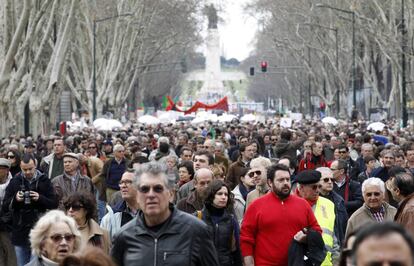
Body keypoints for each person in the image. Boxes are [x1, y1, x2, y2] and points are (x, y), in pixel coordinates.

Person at [111, 162, 219, 266]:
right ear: (138, 195)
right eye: (145, 189)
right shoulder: (124, 236)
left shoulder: (196, 231)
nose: (151, 195)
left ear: (170, 193)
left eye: (158, 189)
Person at [240, 164, 322, 266]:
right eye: (281, 180)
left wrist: (306, 238)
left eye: (287, 179)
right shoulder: (256, 206)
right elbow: (246, 239)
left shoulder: (303, 204)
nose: (286, 183)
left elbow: (317, 230)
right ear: (270, 182)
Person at [2, 154, 58, 266]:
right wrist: (16, 199)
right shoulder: (15, 181)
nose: (27, 172)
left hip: (39, 229)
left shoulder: (44, 180)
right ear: (20, 167)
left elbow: (54, 203)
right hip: (20, 229)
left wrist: (40, 198)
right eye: (24, 169)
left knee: (36, 263)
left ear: (35, 165)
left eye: (30, 169)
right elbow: (5, 206)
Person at [295, 170, 339, 265]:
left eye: (319, 186)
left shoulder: (329, 204)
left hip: (327, 263)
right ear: (301, 188)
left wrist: (337, 261)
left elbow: (334, 238)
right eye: (314, 187)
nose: (317, 190)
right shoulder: (290, 206)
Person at [196, 180, 242, 266]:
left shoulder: (231, 220)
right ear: (211, 195)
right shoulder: (198, 217)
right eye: (219, 194)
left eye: (226, 194)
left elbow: (237, 250)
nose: (224, 197)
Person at [100, 170, 139, 241]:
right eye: (121, 182)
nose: (123, 186)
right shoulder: (110, 217)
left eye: (128, 182)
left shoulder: (151, 214)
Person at [316, 167, 348, 246]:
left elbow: (344, 225)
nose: (330, 182)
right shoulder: (311, 201)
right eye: (326, 180)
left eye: (332, 180)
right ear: (317, 181)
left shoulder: (339, 200)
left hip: (337, 245)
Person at [0, 158, 16, 266]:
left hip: (9, 226)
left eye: (1, 169)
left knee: (10, 255)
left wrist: (5, 220)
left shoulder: (14, 183)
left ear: (6, 170)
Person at [387, 171, 414, 237]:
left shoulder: (410, 210)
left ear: (397, 191)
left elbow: (410, 240)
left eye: (391, 188)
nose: (390, 191)